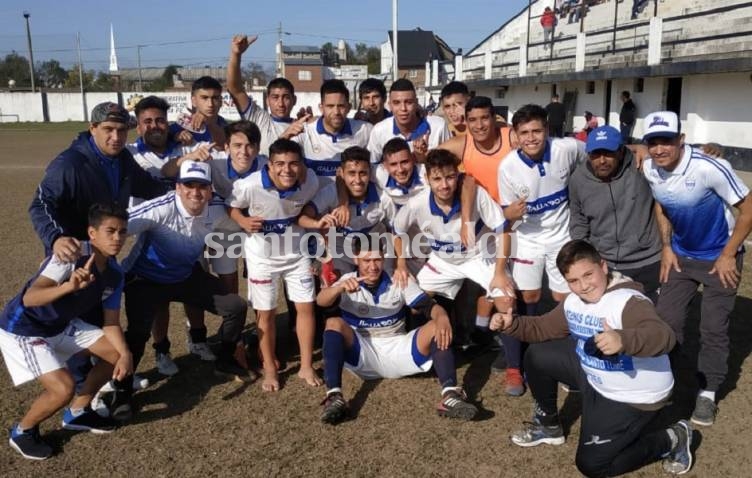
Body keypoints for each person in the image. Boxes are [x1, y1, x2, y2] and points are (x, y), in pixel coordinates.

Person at [490, 239, 694, 477]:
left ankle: (672, 438)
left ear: (603, 267)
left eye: (588, 275)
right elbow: (544, 327)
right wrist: (511, 323)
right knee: (538, 355)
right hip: (595, 375)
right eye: (573, 281)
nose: (584, 286)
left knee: (593, 465)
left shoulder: (629, 301)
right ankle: (548, 426)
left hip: (632, 395)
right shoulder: (573, 300)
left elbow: (663, 336)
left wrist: (622, 339)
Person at [112, 160, 251, 419]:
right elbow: (118, 226)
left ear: (211, 190)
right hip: (145, 279)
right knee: (137, 335)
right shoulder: (161, 207)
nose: (195, 192)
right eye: (189, 185)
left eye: (202, 186)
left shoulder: (217, 208)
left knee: (236, 307)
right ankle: (122, 393)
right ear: (178, 187)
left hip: (185, 276)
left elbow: (240, 212)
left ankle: (225, 359)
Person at [642, 111, 752, 426]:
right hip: (680, 256)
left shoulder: (709, 165)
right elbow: (660, 205)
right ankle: (669, 380)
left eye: (666, 141)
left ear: (681, 140)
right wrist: (666, 247)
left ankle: (708, 392)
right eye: (652, 142)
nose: (659, 149)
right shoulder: (651, 168)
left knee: (713, 328)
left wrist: (729, 254)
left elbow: (748, 207)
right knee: (667, 321)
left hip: (720, 258)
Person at [1, 203, 131, 460]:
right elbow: (30, 298)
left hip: (61, 325)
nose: (117, 238)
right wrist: (68, 287)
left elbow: (111, 322)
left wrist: (126, 353)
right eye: (110, 231)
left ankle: (78, 412)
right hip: (24, 329)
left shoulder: (115, 273)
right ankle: (22, 432)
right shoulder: (70, 256)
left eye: (123, 232)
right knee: (62, 388)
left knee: (115, 354)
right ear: (92, 233)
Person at [316, 237, 478, 424]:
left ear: (384, 258)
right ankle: (334, 396)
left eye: (377, 260)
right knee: (334, 323)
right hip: (362, 354)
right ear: (355, 260)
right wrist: (338, 289)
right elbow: (321, 301)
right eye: (366, 261)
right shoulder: (347, 281)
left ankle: (450, 395)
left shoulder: (397, 278)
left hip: (399, 350)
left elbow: (428, 306)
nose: (372, 266)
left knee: (436, 325)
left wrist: (441, 316)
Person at [128, 95, 222, 373]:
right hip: (148, 231)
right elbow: (161, 172)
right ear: (138, 126)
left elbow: (218, 143)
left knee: (194, 287)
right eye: (147, 121)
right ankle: (162, 351)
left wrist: (184, 135)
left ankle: (198, 339)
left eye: (160, 120)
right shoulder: (131, 154)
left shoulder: (183, 142)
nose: (155, 126)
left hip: (189, 228)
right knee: (160, 299)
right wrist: (183, 155)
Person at [439, 95, 521, 394]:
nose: (478, 125)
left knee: (514, 290)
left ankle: (515, 361)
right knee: (494, 287)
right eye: (472, 120)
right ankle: (489, 338)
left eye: (484, 118)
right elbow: (433, 159)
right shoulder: (464, 143)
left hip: (521, 225)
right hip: (491, 226)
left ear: (495, 119)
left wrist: (637, 147)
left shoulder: (510, 136)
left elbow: (542, 143)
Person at [227, 139, 321, 392]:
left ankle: (306, 365)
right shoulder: (249, 185)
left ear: (301, 165)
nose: (286, 170)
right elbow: (232, 206)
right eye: (279, 164)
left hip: (296, 254)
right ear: (269, 165)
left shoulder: (310, 180)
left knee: (305, 308)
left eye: (293, 164)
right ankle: (269, 367)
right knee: (266, 313)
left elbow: (323, 195)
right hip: (261, 258)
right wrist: (243, 221)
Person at [392, 149, 516, 340]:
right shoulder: (417, 203)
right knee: (415, 303)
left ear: (457, 175)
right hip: (443, 260)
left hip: (481, 256)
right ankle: (432, 344)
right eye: (437, 179)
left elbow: (504, 231)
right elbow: (398, 230)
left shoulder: (477, 195)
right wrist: (401, 263)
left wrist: (499, 271)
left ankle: (499, 351)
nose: (444, 185)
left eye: (450, 177)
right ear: (427, 179)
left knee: (506, 303)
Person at [497, 104, 588, 319]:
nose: (531, 138)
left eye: (536, 131)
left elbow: (593, 152)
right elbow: (506, 214)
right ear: (516, 135)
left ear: (546, 130)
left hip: (562, 235)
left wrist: (637, 149)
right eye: (524, 133)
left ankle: (566, 337)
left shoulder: (566, 148)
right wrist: (509, 213)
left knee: (562, 295)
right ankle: (529, 337)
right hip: (529, 238)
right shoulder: (507, 167)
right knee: (529, 296)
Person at [569, 125, 662, 301]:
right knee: (613, 322)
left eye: (608, 153)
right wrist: (586, 258)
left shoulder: (643, 167)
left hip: (649, 260)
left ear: (620, 151)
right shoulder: (578, 179)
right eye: (595, 154)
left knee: (654, 319)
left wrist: (710, 150)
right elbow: (578, 221)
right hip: (606, 263)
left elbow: (673, 157)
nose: (602, 160)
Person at [298, 146, 395, 277]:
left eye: (363, 173)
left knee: (389, 284)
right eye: (352, 173)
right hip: (341, 253)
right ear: (342, 173)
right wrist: (318, 224)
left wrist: (400, 264)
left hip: (374, 253)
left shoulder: (383, 197)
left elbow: (395, 231)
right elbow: (302, 217)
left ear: (370, 173)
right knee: (343, 291)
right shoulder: (331, 192)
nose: (358, 180)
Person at [227, 35, 308, 154]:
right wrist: (236, 54)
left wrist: (311, 122)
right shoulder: (259, 119)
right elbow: (236, 90)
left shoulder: (302, 126)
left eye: (286, 97)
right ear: (267, 100)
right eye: (275, 97)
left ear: (294, 100)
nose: (280, 104)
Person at [293, 79, 372, 187]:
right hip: (313, 202)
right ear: (321, 108)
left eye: (341, 106)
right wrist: (287, 133)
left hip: (349, 203)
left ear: (349, 107)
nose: (336, 112)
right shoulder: (305, 131)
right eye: (330, 106)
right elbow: (278, 155)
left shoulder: (365, 130)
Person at [367, 78, 451, 163]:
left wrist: (425, 158)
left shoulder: (438, 126)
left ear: (416, 103)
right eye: (396, 103)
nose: (403, 108)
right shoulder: (379, 131)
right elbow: (372, 166)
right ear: (390, 105)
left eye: (408, 102)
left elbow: (450, 162)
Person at [171, 76, 227, 147]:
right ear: (194, 101)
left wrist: (209, 124)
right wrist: (175, 136)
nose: (210, 104)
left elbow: (225, 144)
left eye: (215, 98)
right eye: (204, 98)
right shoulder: (182, 125)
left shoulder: (225, 126)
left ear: (221, 101)